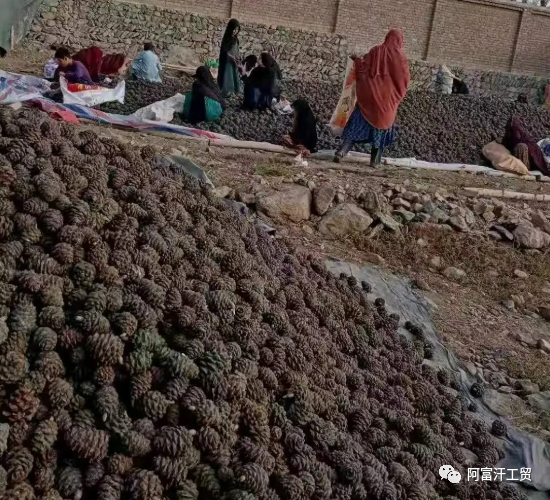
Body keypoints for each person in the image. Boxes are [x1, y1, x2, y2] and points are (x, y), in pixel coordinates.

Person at [334, 29, 410, 166]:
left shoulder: (375, 51)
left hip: (369, 98)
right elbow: (404, 81)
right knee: (380, 131)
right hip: (387, 101)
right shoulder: (401, 57)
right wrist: (396, 95)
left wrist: (356, 60)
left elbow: (362, 71)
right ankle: (374, 161)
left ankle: (341, 152)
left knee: (356, 126)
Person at [218, 19, 241, 96]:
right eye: (234, 29)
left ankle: (232, 90)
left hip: (233, 61)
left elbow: (237, 50)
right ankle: (225, 91)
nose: (235, 31)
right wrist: (231, 57)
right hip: (227, 61)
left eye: (237, 29)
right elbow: (224, 51)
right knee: (227, 76)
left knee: (233, 75)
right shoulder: (227, 39)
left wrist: (237, 58)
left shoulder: (236, 39)